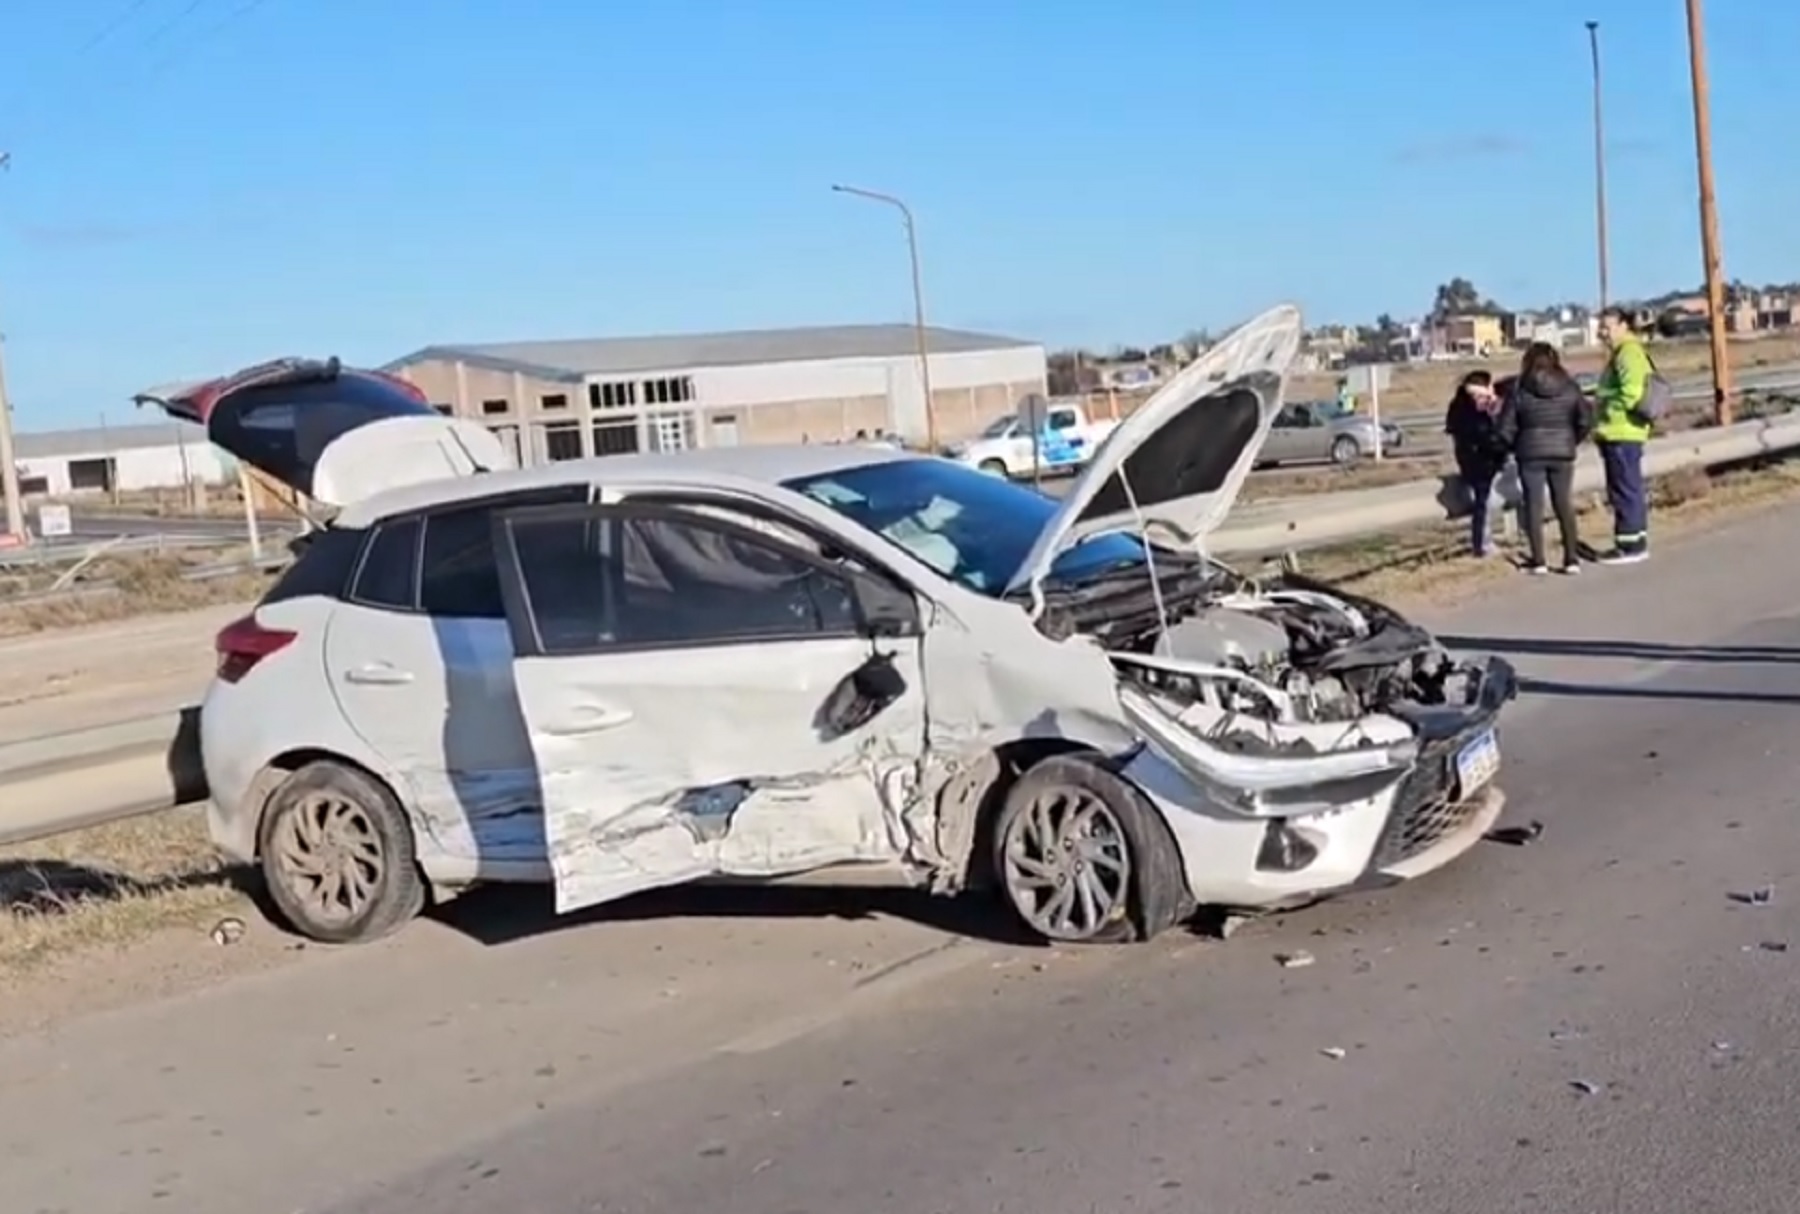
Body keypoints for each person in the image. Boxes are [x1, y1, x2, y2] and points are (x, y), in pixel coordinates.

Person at [1498, 342, 1591, 575]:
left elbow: (1505, 427)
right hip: (1563, 453)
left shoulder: (1520, 388)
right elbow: (1585, 420)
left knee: (1534, 506)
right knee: (1564, 505)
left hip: (1529, 454)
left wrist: (1516, 445)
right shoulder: (1569, 386)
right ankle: (1571, 559)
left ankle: (1538, 560)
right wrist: (1571, 440)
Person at [1592, 306, 1653, 563]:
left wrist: (1604, 401)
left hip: (1622, 431)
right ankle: (1632, 540)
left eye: (1607, 327)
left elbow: (1632, 392)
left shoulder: (1628, 353)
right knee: (1626, 488)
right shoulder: (1622, 353)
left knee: (1625, 490)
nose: (1601, 332)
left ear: (1623, 326)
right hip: (1619, 431)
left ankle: (1631, 546)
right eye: (1600, 327)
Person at [1442, 370, 1507, 557]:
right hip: (1482, 457)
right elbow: (1486, 430)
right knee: (1483, 501)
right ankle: (1483, 543)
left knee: (1482, 500)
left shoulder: (1459, 403)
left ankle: (1483, 541)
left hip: (1468, 457)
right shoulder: (1480, 404)